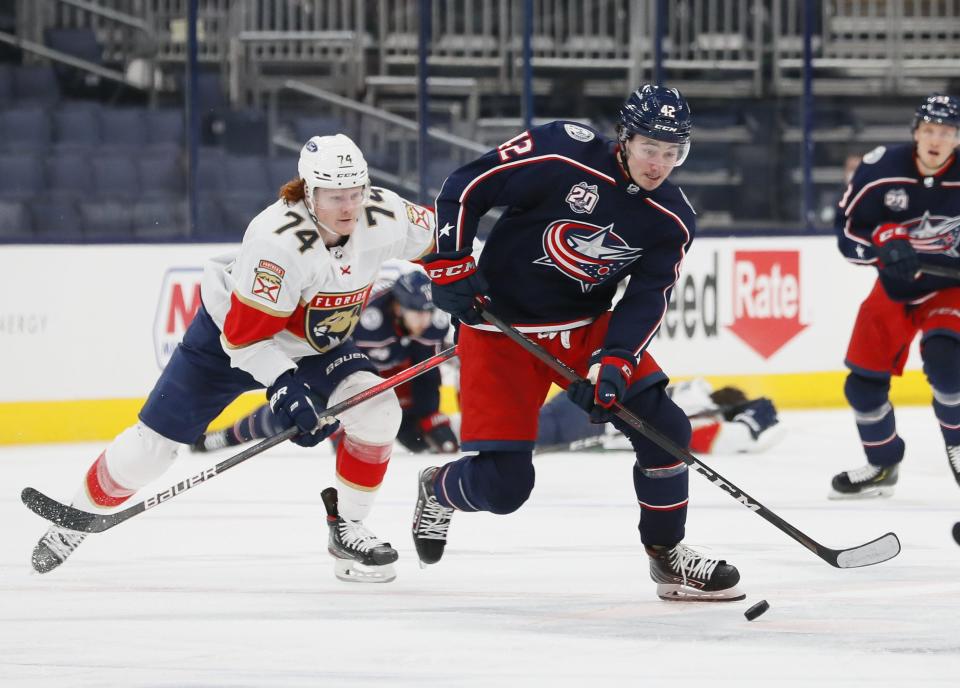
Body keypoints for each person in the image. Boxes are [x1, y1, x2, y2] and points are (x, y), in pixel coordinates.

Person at [30, 134, 436, 583]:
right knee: (149, 453)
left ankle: (348, 531)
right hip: (226, 342)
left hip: (316, 345)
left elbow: (449, 241)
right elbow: (245, 341)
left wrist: (489, 285)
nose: (348, 207)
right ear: (307, 191)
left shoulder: (384, 214)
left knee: (377, 413)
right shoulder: (277, 242)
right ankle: (72, 519)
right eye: (334, 196)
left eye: (355, 193)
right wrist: (285, 389)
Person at [412, 84, 745, 602]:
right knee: (504, 489)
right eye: (649, 148)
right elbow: (466, 185)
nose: (659, 164)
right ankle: (439, 488)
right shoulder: (560, 152)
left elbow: (647, 297)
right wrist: (451, 262)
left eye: (672, 152)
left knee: (666, 431)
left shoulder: (672, 218)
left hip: (584, 326)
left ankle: (668, 556)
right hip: (500, 326)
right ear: (625, 138)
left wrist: (613, 361)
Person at [831, 93, 960, 499]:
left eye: (945, 132)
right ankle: (883, 463)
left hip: (951, 287)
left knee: (945, 362)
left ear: (957, 138)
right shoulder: (881, 168)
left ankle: (958, 447)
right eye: (928, 130)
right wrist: (881, 246)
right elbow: (847, 233)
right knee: (862, 386)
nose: (935, 140)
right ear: (915, 134)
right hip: (895, 287)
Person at [192, 270, 458, 455]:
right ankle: (225, 436)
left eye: (427, 312)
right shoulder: (367, 317)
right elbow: (330, 357)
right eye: (416, 312)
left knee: (419, 442)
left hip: (387, 373)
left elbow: (425, 375)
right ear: (397, 306)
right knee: (296, 419)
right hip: (336, 365)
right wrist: (340, 417)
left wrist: (428, 417)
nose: (423, 320)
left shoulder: (432, 324)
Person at [537, 379, 782, 455]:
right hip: (592, 422)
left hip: (582, 403)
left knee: (519, 428)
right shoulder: (701, 413)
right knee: (515, 436)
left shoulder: (694, 388)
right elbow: (722, 439)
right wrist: (749, 421)